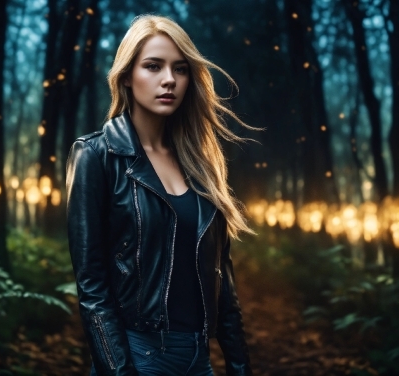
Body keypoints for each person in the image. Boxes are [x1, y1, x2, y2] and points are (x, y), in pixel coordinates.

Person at [66, 14, 255, 376]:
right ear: (126, 76)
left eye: (180, 69)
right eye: (153, 66)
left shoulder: (201, 164)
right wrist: (121, 371)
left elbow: (222, 279)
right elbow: (92, 288)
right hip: (136, 357)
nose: (169, 79)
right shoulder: (96, 156)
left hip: (198, 360)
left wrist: (239, 364)